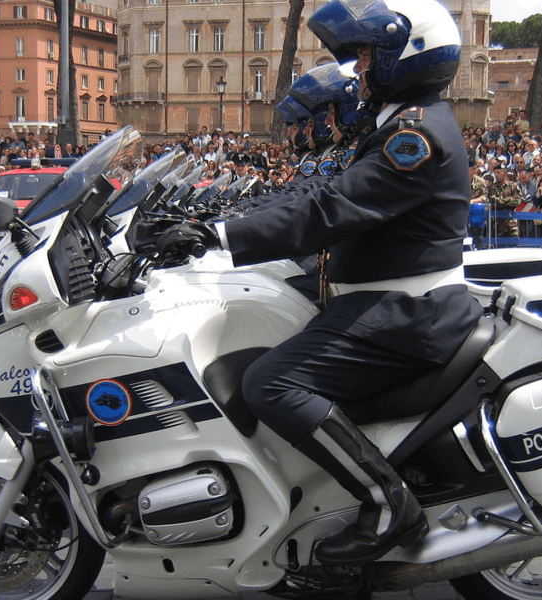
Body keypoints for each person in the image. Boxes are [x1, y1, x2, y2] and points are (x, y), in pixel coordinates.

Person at [157, 0, 481, 566]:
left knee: (270, 383)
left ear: (411, 55)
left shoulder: (415, 137)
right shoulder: (404, 124)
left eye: (366, 55)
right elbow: (316, 200)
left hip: (406, 314)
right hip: (390, 303)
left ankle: (388, 505)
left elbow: (331, 209)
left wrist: (221, 235)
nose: (358, 70)